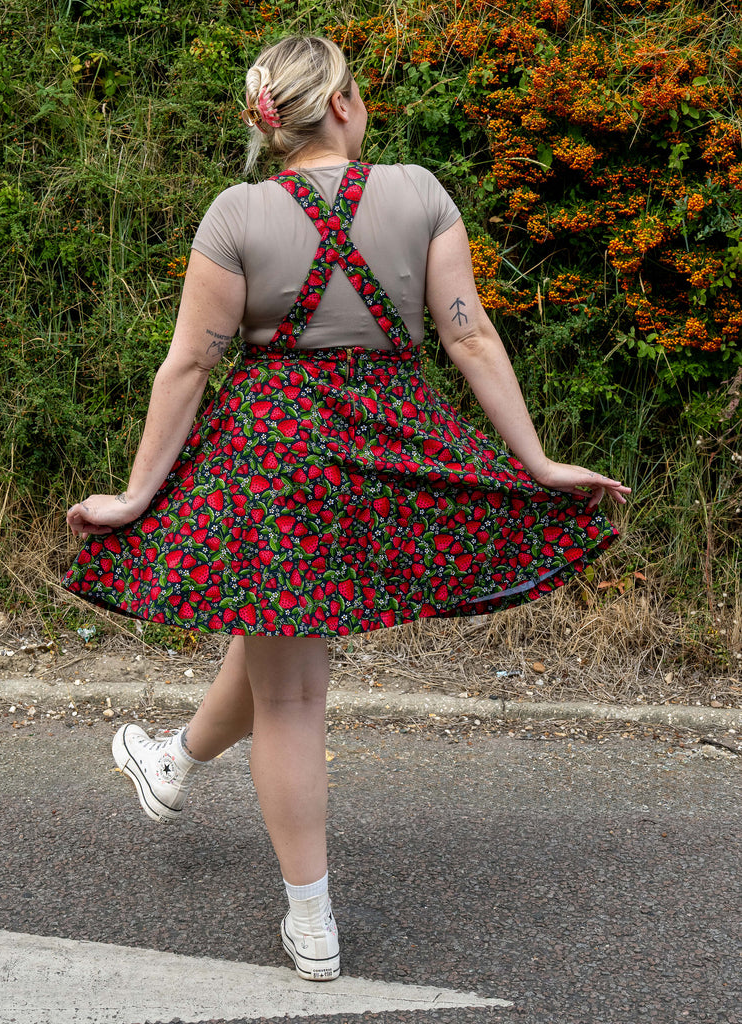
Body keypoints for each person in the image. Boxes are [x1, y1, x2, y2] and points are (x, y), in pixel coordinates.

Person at [64, 35, 630, 982]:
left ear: (273, 121)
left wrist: (133, 494)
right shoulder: (417, 192)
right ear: (341, 104)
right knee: (281, 637)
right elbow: (471, 338)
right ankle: (172, 763)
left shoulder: (237, 213)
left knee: (286, 684)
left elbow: (191, 364)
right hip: (387, 455)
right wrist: (533, 461)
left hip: (273, 460)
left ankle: (312, 921)